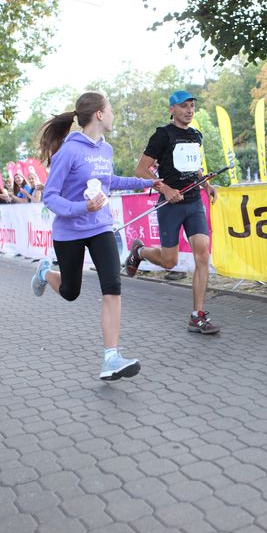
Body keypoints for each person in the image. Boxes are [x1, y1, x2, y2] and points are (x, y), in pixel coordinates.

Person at [33, 91, 161, 381]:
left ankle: (111, 358)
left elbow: (109, 181)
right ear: (99, 115)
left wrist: (147, 183)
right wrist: (83, 207)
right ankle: (45, 273)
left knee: (112, 285)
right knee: (70, 292)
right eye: (111, 110)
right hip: (69, 231)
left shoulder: (106, 150)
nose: (114, 115)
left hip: (101, 226)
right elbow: (50, 196)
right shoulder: (69, 151)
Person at [126, 89, 220, 335]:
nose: (189, 110)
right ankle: (139, 251)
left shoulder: (196, 135)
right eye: (183, 106)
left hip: (193, 202)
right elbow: (141, 169)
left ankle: (197, 316)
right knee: (170, 262)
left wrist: (206, 185)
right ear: (172, 109)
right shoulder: (162, 135)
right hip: (170, 205)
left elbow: (194, 166)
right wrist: (165, 189)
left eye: (192, 106)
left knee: (203, 254)